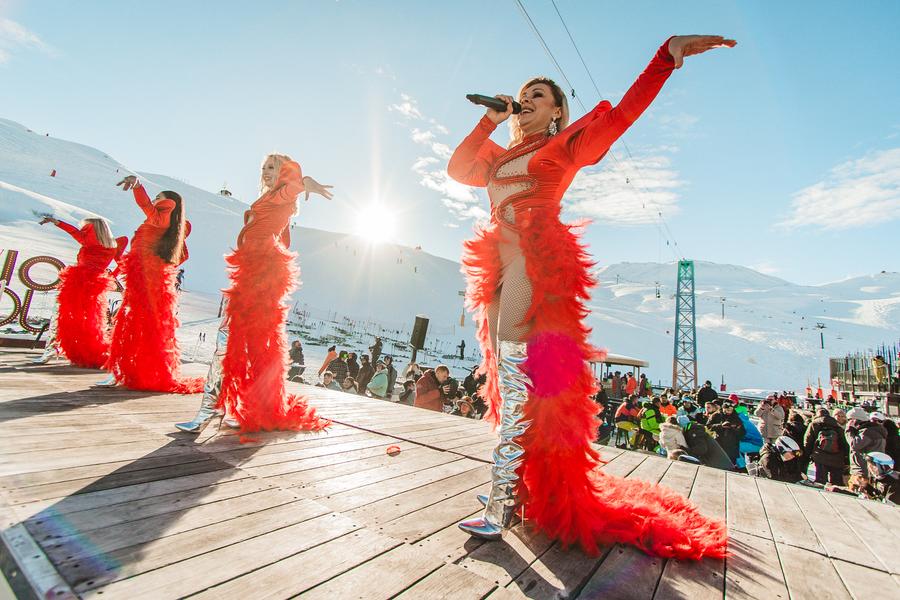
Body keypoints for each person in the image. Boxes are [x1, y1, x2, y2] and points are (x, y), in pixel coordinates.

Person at [447, 34, 733, 558]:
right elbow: (459, 168)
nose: (527, 100)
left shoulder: (564, 146)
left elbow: (622, 116)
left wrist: (663, 57)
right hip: (496, 261)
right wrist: (490, 119)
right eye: (523, 94)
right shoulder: (501, 155)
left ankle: (498, 503)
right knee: (510, 381)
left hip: (535, 257)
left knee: (513, 373)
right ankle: (515, 492)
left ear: (558, 111)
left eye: (539, 95)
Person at [175, 154, 332, 434]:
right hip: (254, 272)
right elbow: (283, 238)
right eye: (263, 168)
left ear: (283, 171)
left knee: (230, 338)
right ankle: (231, 407)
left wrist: (307, 184)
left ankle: (214, 408)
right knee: (239, 341)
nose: (265, 172)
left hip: (259, 274)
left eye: (271, 168)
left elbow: (295, 187)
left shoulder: (282, 195)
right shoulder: (270, 199)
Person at [100, 175, 202, 393]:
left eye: (159, 198)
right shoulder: (164, 223)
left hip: (147, 278)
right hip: (143, 276)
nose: (155, 200)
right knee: (135, 321)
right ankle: (125, 370)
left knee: (138, 321)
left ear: (168, 203)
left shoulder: (162, 218)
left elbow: (146, 206)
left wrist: (138, 186)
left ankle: (130, 370)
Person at [33, 216, 126, 367]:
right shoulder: (114, 244)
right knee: (90, 319)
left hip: (79, 282)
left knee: (61, 315)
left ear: (91, 228)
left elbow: (73, 232)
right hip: (96, 284)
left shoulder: (90, 240)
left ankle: (51, 350)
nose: (83, 229)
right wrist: (110, 276)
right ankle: (87, 350)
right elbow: (122, 264)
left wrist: (57, 222)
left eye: (86, 227)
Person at [803, 407, 849, 485]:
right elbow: (844, 444)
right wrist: (846, 460)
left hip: (820, 457)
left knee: (820, 482)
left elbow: (808, 441)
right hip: (837, 458)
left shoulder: (814, 424)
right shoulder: (837, 426)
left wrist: (807, 455)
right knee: (836, 483)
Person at [846, 407, 887, 491]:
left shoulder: (867, 432)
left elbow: (854, 445)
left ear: (854, 420)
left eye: (849, 420)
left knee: (857, 495)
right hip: (871, 470)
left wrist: (849, 430)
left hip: (862, 470)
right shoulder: (873, 430)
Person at [707, 401, 745, 465]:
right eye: (727, 410)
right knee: (716, 463)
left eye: (730, 410)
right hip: (719, 442)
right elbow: (708, 426)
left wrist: (736, 428)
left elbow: (742, 433)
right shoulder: (716, 415)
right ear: (723, 408)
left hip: (732, 446)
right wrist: (720, 426)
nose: (729, 412)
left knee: (729, 465)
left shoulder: (736, 417)